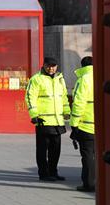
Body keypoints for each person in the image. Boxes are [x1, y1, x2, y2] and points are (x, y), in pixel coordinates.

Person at [25, 56, 70, 182]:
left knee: (56, 149)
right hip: (43, 120)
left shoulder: (60, 79)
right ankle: (44, 173)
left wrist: (67, 112)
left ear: (57, 66)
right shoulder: (36, 79)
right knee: (42, 150)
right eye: (49, 66)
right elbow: (30, 97)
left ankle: (53, 172)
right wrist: (34, 115)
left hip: (58, 121)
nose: (51, 69)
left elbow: (64, 97)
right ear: (44, 65)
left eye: (53, 66)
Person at [69, 56, 95, 192]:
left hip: (86, 125)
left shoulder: (84, 79)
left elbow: (79, 103)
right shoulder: (102, 75)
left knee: (87, 155)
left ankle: (89, 184)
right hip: (101, 126)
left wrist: (74, 124)